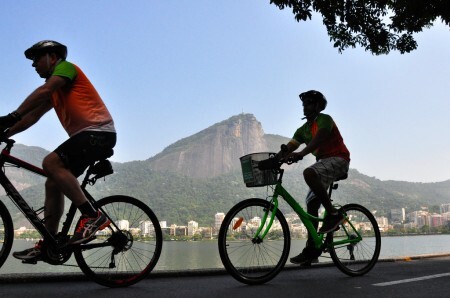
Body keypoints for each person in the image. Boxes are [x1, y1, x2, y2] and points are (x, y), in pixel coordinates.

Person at [0, 40, 116, 261]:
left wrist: (12, 115)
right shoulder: (54, 91)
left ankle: (93, 216)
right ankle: (49, 244)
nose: (33, 65)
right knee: (52, 180)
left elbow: (44, 90)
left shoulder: (66, 68)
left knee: (50, 163)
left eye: (36, 59)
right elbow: (32, 116)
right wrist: (6, 133)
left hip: (99, 133)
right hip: (87, 137)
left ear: (52, 57)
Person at [277, 90, 350, 265]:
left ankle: (333, 213)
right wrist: (273, 160)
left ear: (318, 106)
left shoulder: (325, 119)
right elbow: (288, 147)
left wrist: (301, 153)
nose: (305, 106)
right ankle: (312, 249)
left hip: (339, 159)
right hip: (324, 164)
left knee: (309, 172)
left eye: (309, 103)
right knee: (311, 204)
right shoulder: (303, 129)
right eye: (304, 103)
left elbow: (319, 139)